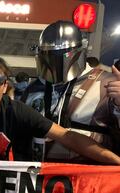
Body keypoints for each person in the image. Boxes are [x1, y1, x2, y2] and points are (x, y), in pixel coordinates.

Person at [21, 20, 120, 162]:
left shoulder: (107, 84)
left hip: (90, 177)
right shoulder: (33, 89)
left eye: (61, 54)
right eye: (49, 54)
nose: (55, 62)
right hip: (39, 175)